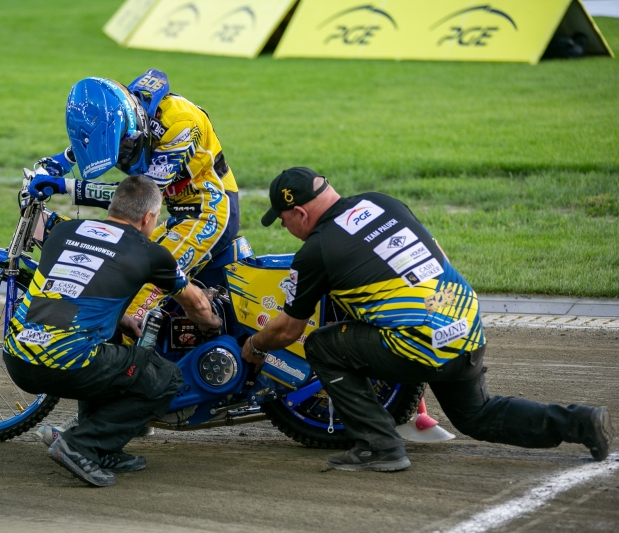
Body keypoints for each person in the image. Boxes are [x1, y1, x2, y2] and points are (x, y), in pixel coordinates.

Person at [241, 166, 614, 472]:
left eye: (284, 221)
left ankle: (380, 446)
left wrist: (255, 346)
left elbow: (290, 329)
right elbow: (439, 254)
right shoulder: (380, 202)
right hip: (463, 320)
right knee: (476, 416)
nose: (286, 229)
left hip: (418, 340)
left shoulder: (317, 249)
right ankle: (581, 422)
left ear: (301, 213)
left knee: (322, 344)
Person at [3, 176, 222, 487]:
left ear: (112, 206)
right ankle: (81, 443)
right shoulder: (150, 252)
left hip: (16, 358)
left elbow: (73, 291)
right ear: (148, 217)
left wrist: (119, 320)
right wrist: (211, 325)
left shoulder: (63, 231)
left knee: (110, 343)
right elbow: (197, 304)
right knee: (165, 378)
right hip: (64, 365)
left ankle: (103, 449)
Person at [27, 69, 240, 323]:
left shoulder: (182, 125)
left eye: (125, 148)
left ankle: (130, 361)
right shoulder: (125, 113)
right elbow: (94, 141)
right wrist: (55, 164)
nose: (122, 156)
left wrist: (67, 187)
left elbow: (136, 198)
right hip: (179, 213)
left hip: (208, 213)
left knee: (142, 295)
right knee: (125, 277)